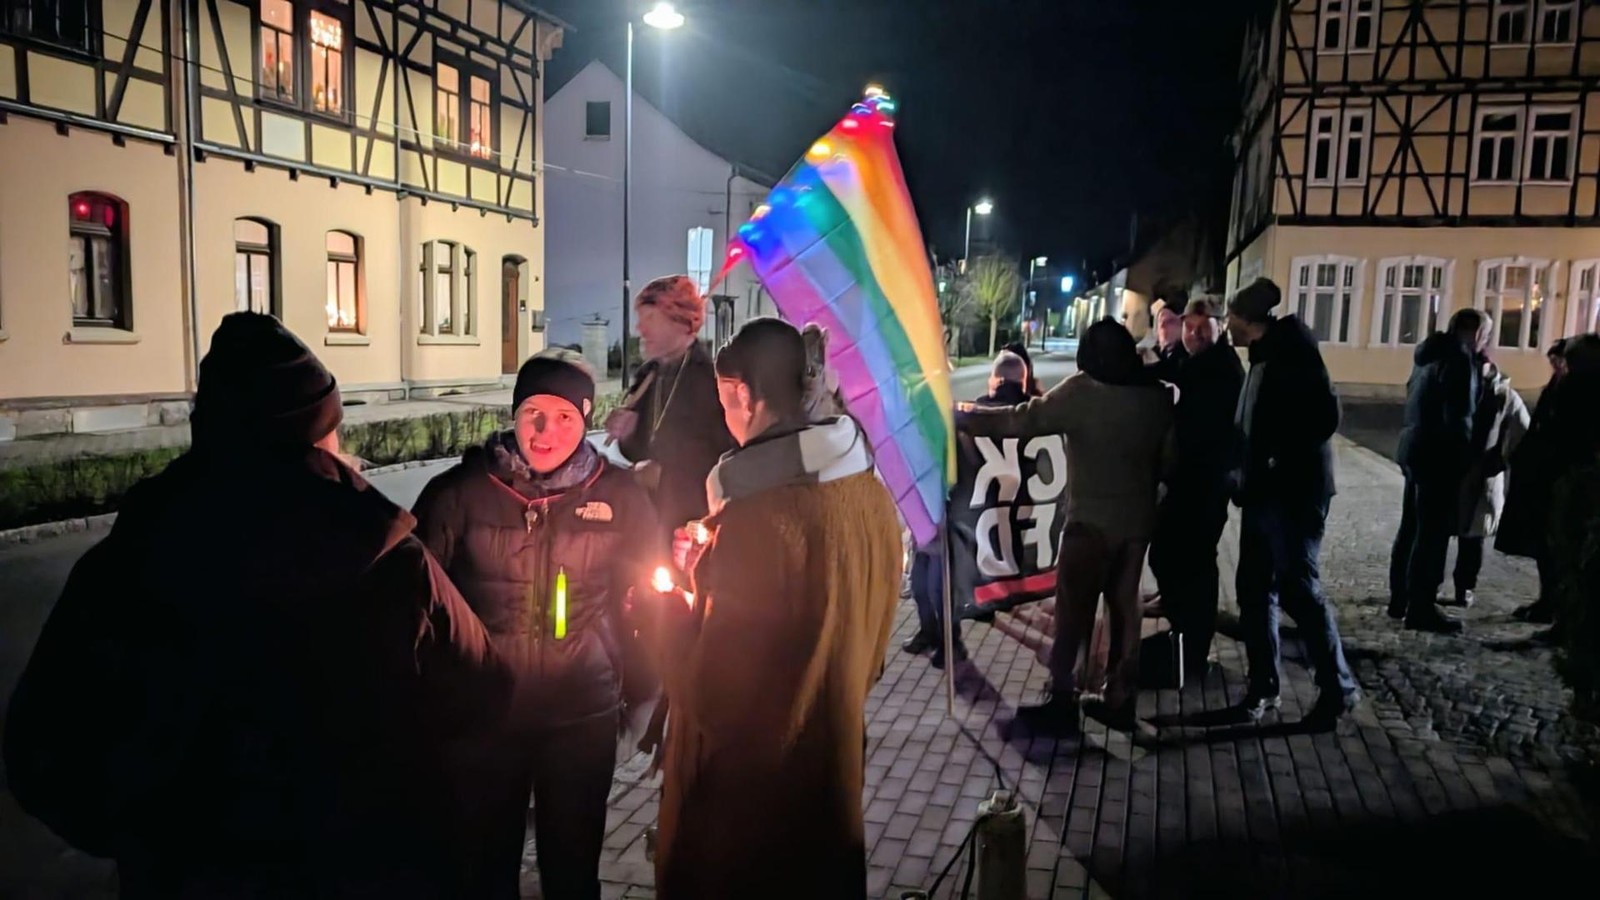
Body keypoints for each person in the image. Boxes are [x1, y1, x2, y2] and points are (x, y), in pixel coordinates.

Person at [4, 313, 511, 898]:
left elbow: (42, 751)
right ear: (317, 437)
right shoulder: (391, 563)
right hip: (362, 871)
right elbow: (486, 692)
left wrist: (145, 835)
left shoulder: (127, 565)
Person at [648, 318, 902, 899]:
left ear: (741, 393)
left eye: (724, 403)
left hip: (750, 812)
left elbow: (716, 694)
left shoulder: (760, 518)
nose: (726, 420)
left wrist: (668, 613)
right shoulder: (870, 493)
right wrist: (708, 565)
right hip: (832, 772)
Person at [413, 354, 661, 900]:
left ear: (587, 419)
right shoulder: (460, 494)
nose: (546, 432)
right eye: (533, 414)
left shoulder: (618, 496)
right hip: (486, 714)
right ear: (514, 415)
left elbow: (651, 597)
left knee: (571, 867)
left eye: (564, 417)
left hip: (581, 713)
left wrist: (642, 688)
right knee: (483, 864)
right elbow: (415, 601)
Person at [959, 320, 1174, 735]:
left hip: (1089, 526)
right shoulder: (1156, 398)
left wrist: (966, 417)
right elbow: (1170, 462)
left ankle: (1062, 703)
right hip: (1135, 526)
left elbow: (1019, 420)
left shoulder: (1083, 392)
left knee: (1073, 617)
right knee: (1125, 613)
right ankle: (1120, 700)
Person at [1226, 277, 1359, 729]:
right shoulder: (1264, 354)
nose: (1228, 326)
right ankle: (1263, 686)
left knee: (1300, 590)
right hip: (1264, 494)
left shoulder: (1293, 352)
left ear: (1249, 321)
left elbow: (1324, 416)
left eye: (1231, 318)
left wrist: (1274, 459)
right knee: (1254, 589)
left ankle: (1337, 689)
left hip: (1293, 496)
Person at [903, 351, 1033, 667]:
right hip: (958, 508)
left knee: (937, 582)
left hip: (955, 508)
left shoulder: (980, 413)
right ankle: (932, 633)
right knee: (924, 577)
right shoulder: (1026, 411)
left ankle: (951, 641)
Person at [1148, 296, 1245, 674]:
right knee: (1174, 557)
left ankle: (1192, 647)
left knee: (1191, 562)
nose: (1194, 334)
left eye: (1203, 328)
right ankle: (1186, 637)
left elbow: (1184, 393)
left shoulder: (1218, 368)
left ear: (1219, 328)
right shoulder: (1193, 361)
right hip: (1191, 479)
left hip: (1205, 481)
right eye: (1190, 327)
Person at [605, 274, 737, 537]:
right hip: (646, 522)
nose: (640, 329)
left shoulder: (712, 381)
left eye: (650, 318)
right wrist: (627, 432)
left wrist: (666, 477)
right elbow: (636, 451)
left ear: (680, 321)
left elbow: (727, 459)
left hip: (693, 526)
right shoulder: (647, 375)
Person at [1388, 308, 1490, 634]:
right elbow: (1460, 417)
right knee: (1431, 535)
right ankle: (1420, 607)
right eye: (1485, 336)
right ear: (1475, 334)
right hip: (1438, 457)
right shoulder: (1459, 360)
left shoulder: (1427, 356)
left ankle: (1400, 598)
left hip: (1414, 449)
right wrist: (1464, 463)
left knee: (1410, 528)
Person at [1450, 349, 1530, 608]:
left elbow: (1521, 433)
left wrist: (1500, 460)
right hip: (1465, 472)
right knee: (1461, 533)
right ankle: (1456, 588)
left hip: (1480, 474)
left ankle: (1463, 588)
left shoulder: (1502, 395)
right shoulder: (1494, 392)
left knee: (1471, 535)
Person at [1500, 339, 1569, 623]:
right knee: (1544, 547)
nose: (1554, 366)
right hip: (1540, 475)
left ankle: (1554, 604)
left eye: (1558, 361)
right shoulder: (1557, 387)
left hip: (1554, 477)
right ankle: (1548, 600)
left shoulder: (1572, 390)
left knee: (1554, 547)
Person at [1144, 295, 1189, 382]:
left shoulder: (1187, 358)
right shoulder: (1152, 355)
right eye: (1160, 324)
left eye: (1170, 322)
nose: (1163, 327)